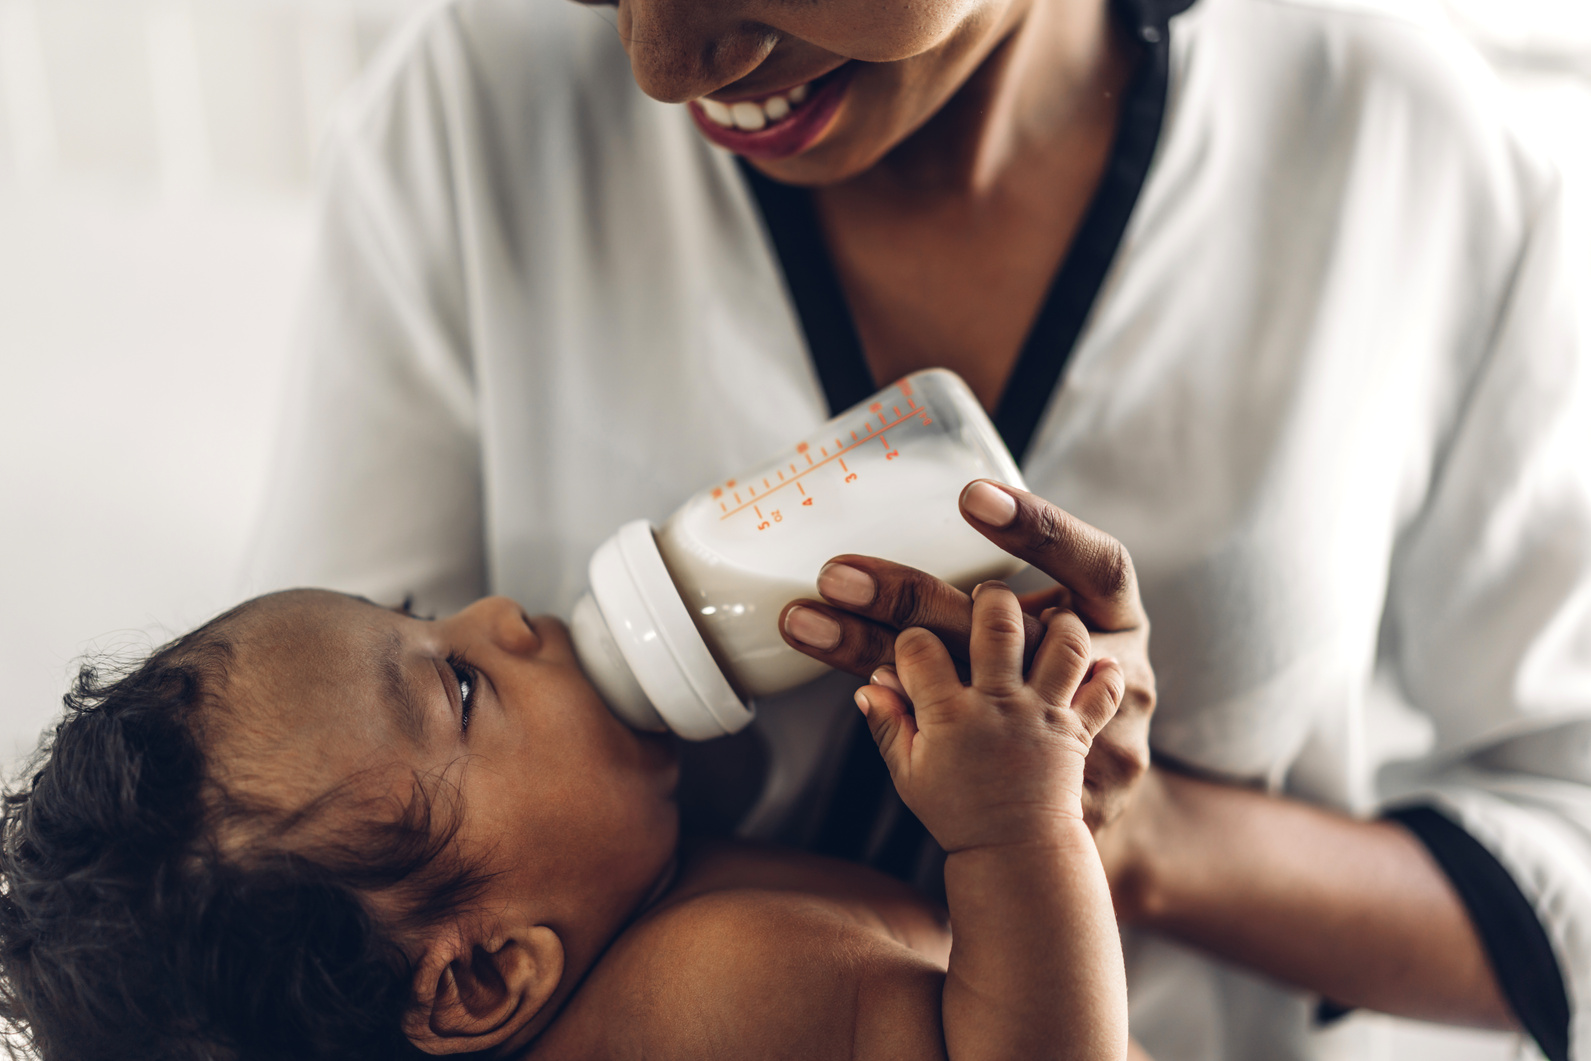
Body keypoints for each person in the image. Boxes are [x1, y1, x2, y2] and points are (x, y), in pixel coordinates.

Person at [248, 0, 1591, 1055]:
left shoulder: (1403, 146)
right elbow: (288, 908)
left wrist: (1141, 841)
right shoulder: (473, 109)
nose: (657, 61)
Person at [0, 585, 1139, 1061]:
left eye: (418, 614)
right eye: (457, 683)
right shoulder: (715, 992)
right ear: (486, 976)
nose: (498, 610)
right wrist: (1018, 829)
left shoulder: (648, 916)